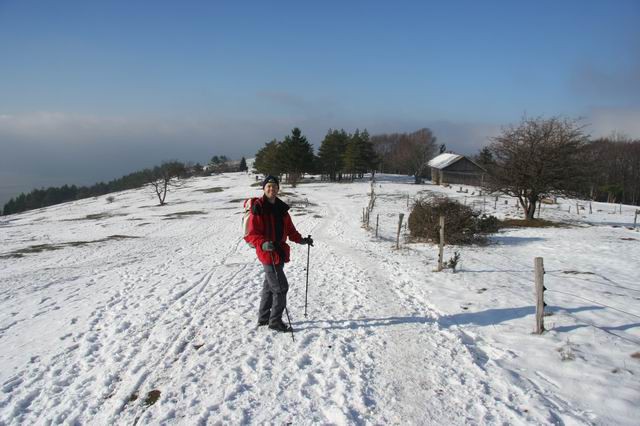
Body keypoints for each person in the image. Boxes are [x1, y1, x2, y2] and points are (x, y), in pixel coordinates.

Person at [244, 175, 313, 332]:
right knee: (281, 288)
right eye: (268, 186)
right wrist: (262, 243)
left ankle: (263, 319)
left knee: (269, 286)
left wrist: (302, 240)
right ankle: (275, 321)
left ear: (278, 189)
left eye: (274, 186)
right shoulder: (258, 208)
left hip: (280, 253)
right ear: (264, 188)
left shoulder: (282, 209)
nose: (271, 189)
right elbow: (251, 233)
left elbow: (290, 230)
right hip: (267, 254)